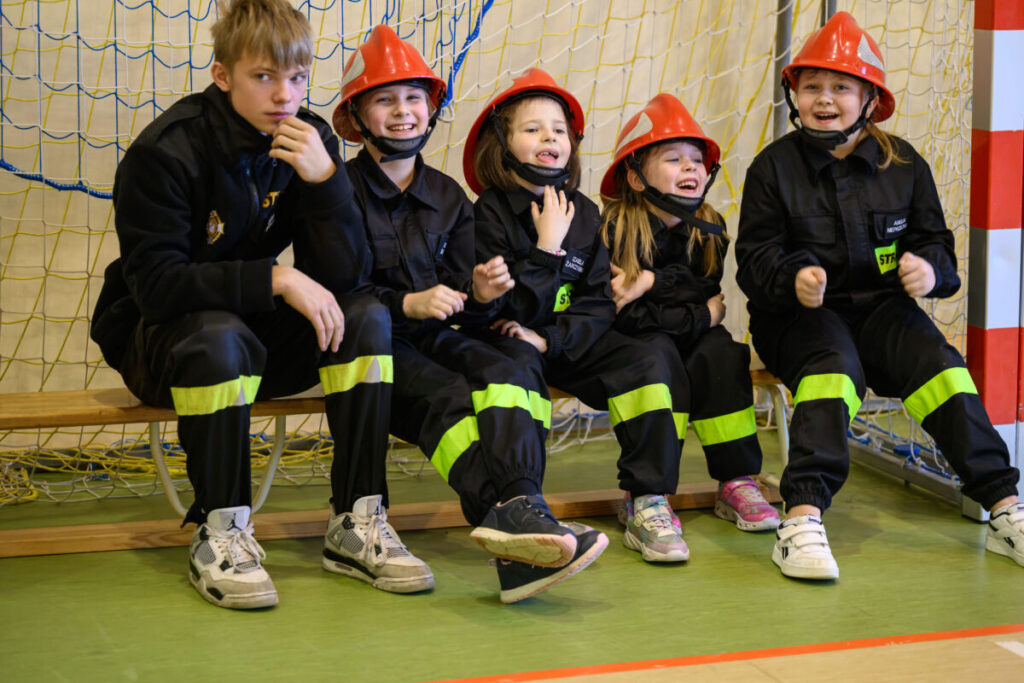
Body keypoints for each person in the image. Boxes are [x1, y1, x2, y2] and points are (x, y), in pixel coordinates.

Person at [89, 0, 419, 610]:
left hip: (250, 333)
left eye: (296, 77)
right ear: (223, 76)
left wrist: (327, 183)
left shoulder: (310, 138)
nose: (283, 95)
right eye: (263, 77)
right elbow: (156, 287)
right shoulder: (166, 151)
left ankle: (358, 521)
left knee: (365, 317)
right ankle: (221, 532)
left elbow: (346, 277)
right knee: (219, 336)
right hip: (159, 340)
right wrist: (276, 278)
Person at [735, 11, 1024, 580]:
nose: (824, 98)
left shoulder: (905, 163)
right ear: (794, 95)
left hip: (884, 312)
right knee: (833, 369)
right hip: (797, 318)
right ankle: (801, 520)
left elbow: (936, 245)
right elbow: (754, 259)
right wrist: (793, 278)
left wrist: (930, 271)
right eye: (811, 86)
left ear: (870, 99)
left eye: (841, 87)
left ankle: (1004, 509)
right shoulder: (773, 167)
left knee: (942, 368)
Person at [333, 26, 607, 604]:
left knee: (509, 367)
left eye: (414, 98)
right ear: (355, 115)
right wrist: (406, 303)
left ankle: (525, 510)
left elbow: (468, 296)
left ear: (431, 109)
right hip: (373, 348)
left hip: (435, 339)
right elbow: (337, 292)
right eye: (385, 98)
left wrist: (480, 292)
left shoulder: (448, 196)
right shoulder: (337, 193)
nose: (403, 111)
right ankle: (516, 527)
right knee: (451, 400)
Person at [466, 69, 693, 563]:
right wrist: (546, 248)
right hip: (511, 348)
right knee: (517, 354)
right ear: (501, 145)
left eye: (559, 130)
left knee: (650, 355)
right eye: (532, 129)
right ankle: (528, 508)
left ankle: (647, 498)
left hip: (565, 343)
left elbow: (597, 303)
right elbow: (504, 312)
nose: (550, 138)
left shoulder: (586, 212)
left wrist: (553, 340)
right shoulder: (487, 213)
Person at [599, 93, 780, 534]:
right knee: (655, 357)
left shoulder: (710, 228)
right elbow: (628, 317)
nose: (690, 168)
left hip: (686, 333)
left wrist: (653, 285)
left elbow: (703, 290)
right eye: (674, 158)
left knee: (722, 354)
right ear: (636, 177)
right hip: (632, 342)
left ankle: (737, 480)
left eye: (697, 160)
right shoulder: (615, 228)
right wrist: (700, 315)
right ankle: (646, 493)